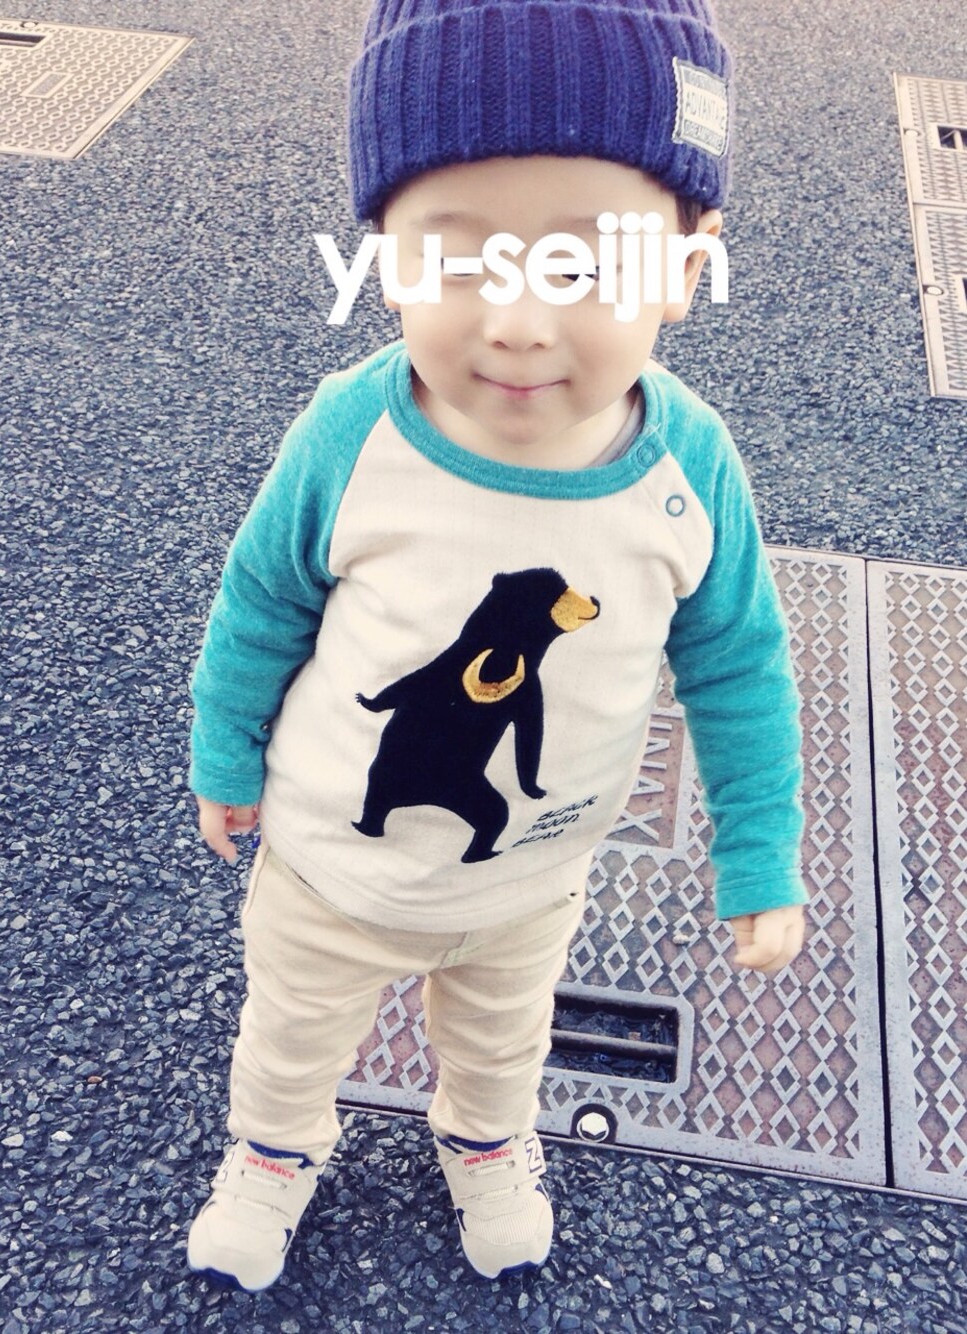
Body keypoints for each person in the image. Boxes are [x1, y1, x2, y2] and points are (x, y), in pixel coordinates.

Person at [185, 0, 808, 1294]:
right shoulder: (356, 434)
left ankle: (484, 1138)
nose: (519, 321)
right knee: (293, 1030)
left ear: (687, 265)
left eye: (584, 267)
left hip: (530, 872)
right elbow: (262, 600)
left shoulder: (686, 470)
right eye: (459, 260)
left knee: (502, 1035)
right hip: (331, 858)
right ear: (383, 255)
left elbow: (738, 664)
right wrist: (225, 749)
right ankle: (274, 1150)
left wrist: (758, 853)